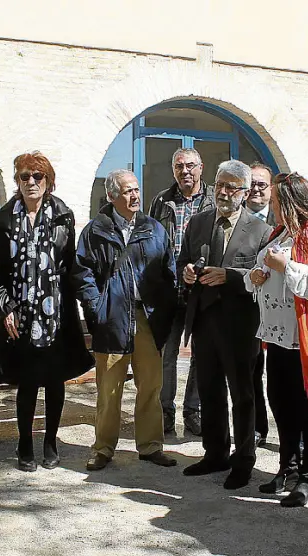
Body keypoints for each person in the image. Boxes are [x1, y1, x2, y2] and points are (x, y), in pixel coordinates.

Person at [246, 171, 308, 507]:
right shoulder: (282, 231)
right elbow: (262, 267)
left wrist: (285, 265)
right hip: (277, 333)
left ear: (291, 202)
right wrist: (256, 276)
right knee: (281, 402)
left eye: (276, 201)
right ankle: (287, 468)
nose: (272, 207)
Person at [0, 151, 94, 472]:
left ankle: (50, 440)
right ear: (17, 182)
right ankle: (24, 443)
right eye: (25, 177)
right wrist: (5, 307)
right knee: (27, 380)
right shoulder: (3, 220)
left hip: (56, 314)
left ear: (48, 182)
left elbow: (70, 265)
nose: (31, 183)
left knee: (54, 380)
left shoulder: (63, 216)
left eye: (38, 177)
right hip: (20, 314)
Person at [73, 169, 179, 471]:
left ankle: (150, 447)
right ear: (111, 196)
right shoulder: (96, 230)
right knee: (109, 390)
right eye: (127, 191)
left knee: (150, 387)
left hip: (147, 319)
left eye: (136, 189)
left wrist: (164, 311)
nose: (134, 196)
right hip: (112, 319)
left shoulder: (154, 229)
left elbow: (168, 273)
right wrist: (96, 308)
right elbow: (82, 274)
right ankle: (103, 449)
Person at [179, 160, 272, 490]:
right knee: (209, 391)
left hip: (240, 325)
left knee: (242, 394)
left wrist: (229, 277)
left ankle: (244, 459)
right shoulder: (199, 223)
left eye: (231, 187)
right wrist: (188, 273)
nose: (223, 192)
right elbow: (183, 262)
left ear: (245, 193)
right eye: (220, 184)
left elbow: (264, 280)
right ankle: (214, 452)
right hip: (204, 322)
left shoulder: (261, 232)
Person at [148, 148, 212, 436]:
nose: (184, 171)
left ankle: (193, 411)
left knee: (201, 353)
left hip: (203, 288)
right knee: (167, 353)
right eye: (178, 166)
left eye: (190, 166)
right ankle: (164, 412)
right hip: (169, 289)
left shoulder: (213, 200)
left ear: (201, 168)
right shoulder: (162, 201)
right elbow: (149, 240)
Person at [246, 161, 275, 447]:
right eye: (251, 184)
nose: (255, 189)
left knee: (283, 376)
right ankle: (257, 427)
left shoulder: (282, 219)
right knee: (253, 372)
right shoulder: (237, 221)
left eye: (261, 184)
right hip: (249, 310)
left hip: (283, 312)